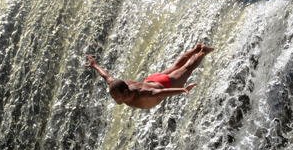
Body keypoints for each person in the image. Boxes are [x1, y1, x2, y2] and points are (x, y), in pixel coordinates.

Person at [86, 43, 214, 109]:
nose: (116, 100)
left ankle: (203, 51)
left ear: (126, 91)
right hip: (152, 79)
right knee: (176, 66)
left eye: (117, 97)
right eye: (113, 97)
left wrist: (182, 89)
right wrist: (95, 65)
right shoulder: (117, 85)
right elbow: (106, 76)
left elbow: (161, 92)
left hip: (164, 83)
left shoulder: (143, 93)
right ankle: (195, 49)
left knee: (187, 68)